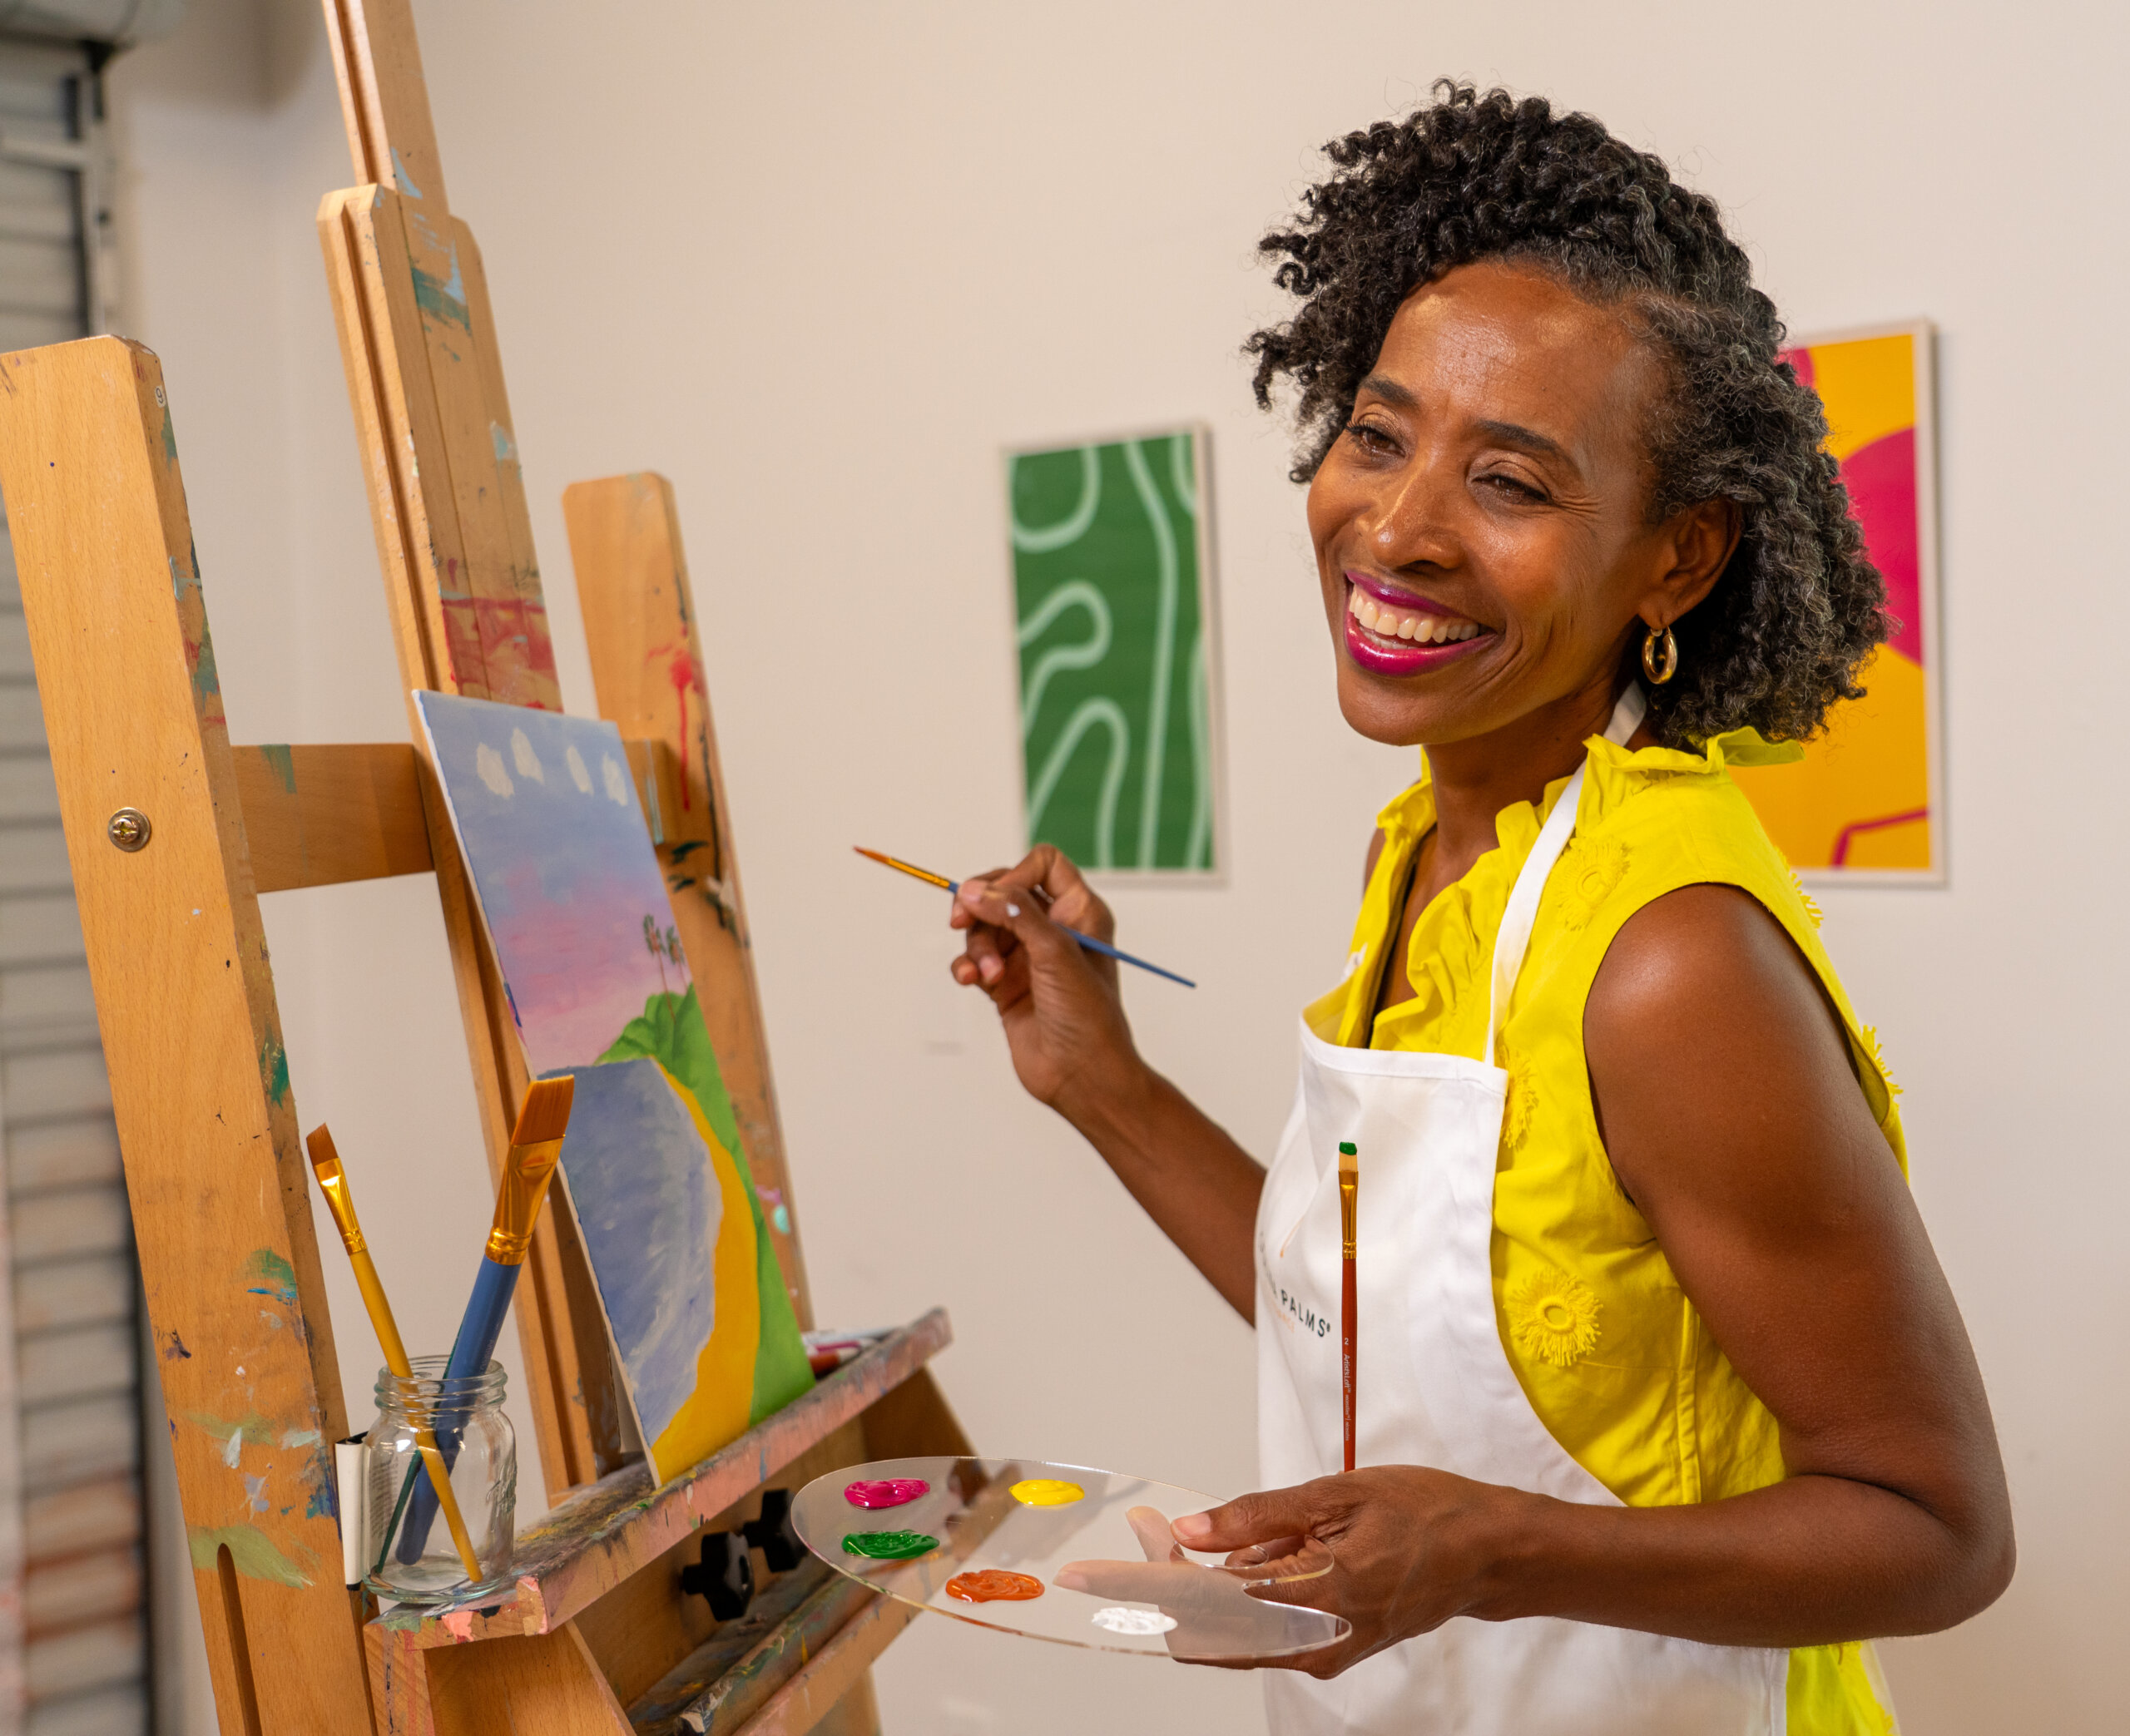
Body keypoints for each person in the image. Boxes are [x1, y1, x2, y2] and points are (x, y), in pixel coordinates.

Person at [949, 83, 2010, 1736]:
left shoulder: (1664, 960)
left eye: (1506, 481)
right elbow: (1378, 1332)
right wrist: (1100, 1079)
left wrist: (1488, 1549)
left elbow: (1935, 1530)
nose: (1395, 527)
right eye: (1376, 436)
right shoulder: (1427, 849)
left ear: (1672, 563)